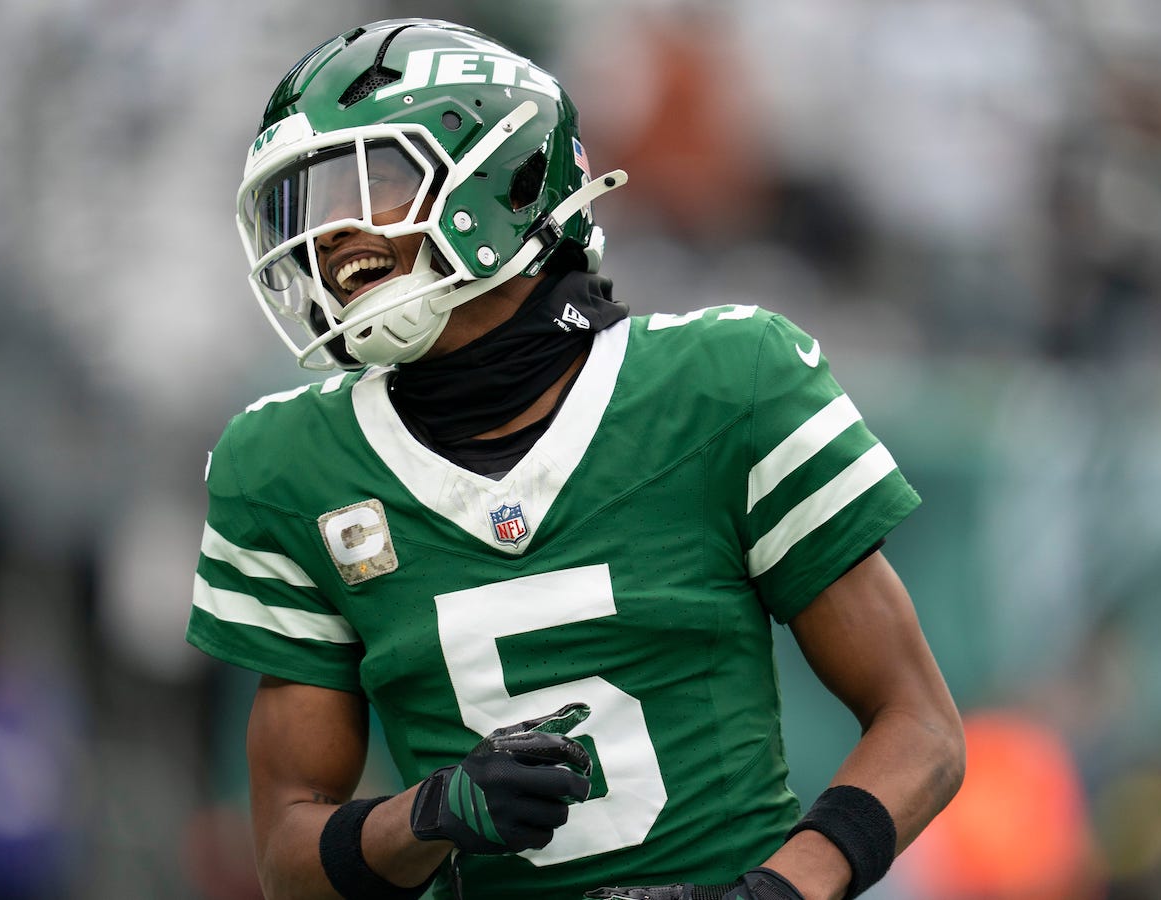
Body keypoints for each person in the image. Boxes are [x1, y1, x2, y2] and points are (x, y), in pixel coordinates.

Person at [186, 18, 963, 900]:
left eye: (367, 182)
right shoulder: (288, 467)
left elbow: (922, 728)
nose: (326, 233)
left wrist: (777, 892)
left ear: (503, 177)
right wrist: (430, 814)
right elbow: (287, 859)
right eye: (306, 202)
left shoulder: (725, 385)